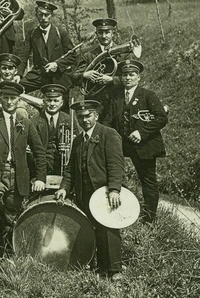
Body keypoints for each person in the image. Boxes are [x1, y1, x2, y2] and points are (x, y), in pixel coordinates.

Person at [0, 81, 47, 259]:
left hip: (19, 175)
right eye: (6, 98)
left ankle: (9, 251)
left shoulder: (26, 123)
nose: (10, 101)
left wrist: (40, 178)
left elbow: (39, 152)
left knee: (12, 214)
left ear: (19, 100)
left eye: (13, 98)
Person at [55, 100, 124, 279]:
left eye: (88, 116)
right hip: (84, 194)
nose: (84, 120)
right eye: (80, 117)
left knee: (108, 229)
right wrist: (64, 188)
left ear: (96, 115)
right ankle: (98, 266)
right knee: (89, 228)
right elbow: (70, 169)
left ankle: (114, 270)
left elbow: (116, 165)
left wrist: (115, 189)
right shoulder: (78, 140)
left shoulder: (109, 134)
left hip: (104, 192)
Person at [101, 60, 168, 223]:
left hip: (144, 146)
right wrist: (109, 137)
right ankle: (117, 213)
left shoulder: (148, 95)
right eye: (125, 75)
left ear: (138, 77)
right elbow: (107, 121)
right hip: (122, 146)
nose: (128, 78)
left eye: (132, 75)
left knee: (148, 181)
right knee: (112, 174)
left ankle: (150, 219)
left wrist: (142, 132)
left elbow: (161, 118)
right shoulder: (116, 98)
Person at [17, 0, 76, 110]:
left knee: (63, 111)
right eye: (40, 14)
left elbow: (73, 55)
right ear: (36, 15)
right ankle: (24, 111)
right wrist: (18, 74)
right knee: (16, 88)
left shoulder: (61, 32)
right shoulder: (32, 33)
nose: (43, 18)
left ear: (51, 16)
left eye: (46, 15)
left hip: (58, 76)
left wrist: (57, 64)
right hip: (39, 74)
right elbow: (23, 55)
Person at [73, 18, 124, 120]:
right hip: (95, 103)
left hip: (117, 101)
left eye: (107, 32)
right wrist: (85, 75)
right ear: (96, 34)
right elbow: (74, 77)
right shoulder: (88, 55)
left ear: (113, 33)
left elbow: (131, 79)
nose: (104, 36)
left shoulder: (123, 54)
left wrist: (111, 80)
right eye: (100, 32)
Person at [30, 84, 72, 177]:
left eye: (56, 101)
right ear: (44, 101)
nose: (52, 104)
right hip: (40, 165)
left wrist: (69, 145)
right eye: (49, 100)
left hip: (62, 164)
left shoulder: (69, 120)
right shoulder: (34, 121)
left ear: (62, 103)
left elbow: (76, 141)